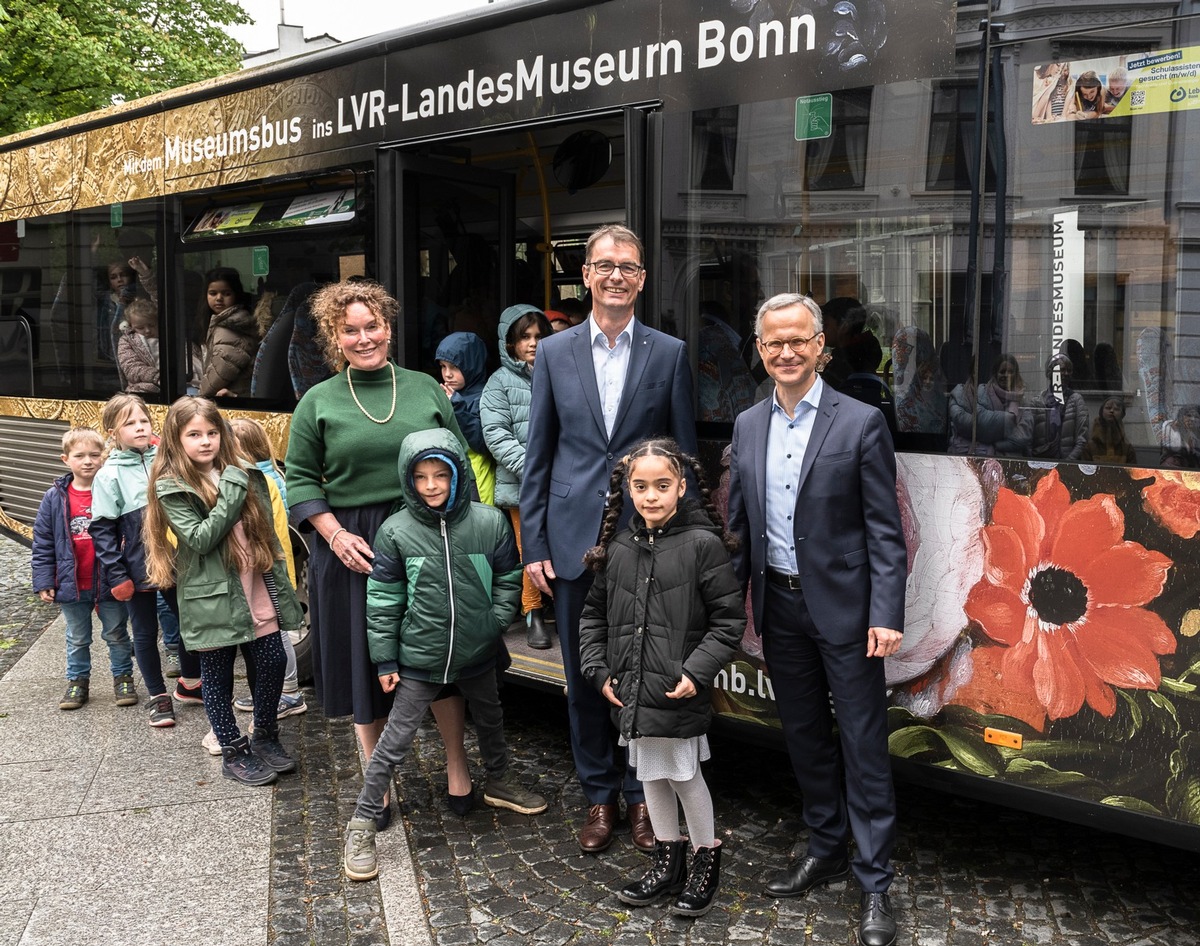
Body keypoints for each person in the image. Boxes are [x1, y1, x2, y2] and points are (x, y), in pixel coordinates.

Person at [725, 293, 907, 946]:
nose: (786, 352)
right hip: (779, 607)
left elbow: (886, 532)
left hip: (850, 614)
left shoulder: (859, 422)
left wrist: (886, 612)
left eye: (798, 339)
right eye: (774, 342)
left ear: (821, 344)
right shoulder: (747, 426)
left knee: (862, 744)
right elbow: (740, 530)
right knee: (802, 735)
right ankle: (825, 845)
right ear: (760, 349)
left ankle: (876, 880)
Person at [521, 223, 697, 854]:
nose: (616, 274)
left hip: (646, 542)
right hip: (570, 544)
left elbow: (683, 457)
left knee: (645, 675)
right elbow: (538, 455)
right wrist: (534, 545)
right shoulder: (554, 352)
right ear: (587, 276)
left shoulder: (669, 353)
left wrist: (687, 540)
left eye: (628, 265)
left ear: (642, 278)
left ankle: (640, 799)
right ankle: (597, 795)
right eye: (604, 265)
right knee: (583, 674)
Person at [285, 279, 475, 826]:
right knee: (364, 661)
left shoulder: (422, 387)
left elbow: (458, 461)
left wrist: (463, 536)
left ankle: (458, 768)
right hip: (353, 543)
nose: (364, 337)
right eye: (350, 330)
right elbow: (298, 480)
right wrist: (334, 535)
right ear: (334, 336)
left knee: (436, 656)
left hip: (424, 530)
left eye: (373, 326)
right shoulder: (316, 402)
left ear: (388, 328)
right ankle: (378, 780)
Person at [342, 429, 547, 882]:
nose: (432, 485)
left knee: (491, 717)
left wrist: (494, 622)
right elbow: (382, 603)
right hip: (420, 657)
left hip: (477, 650)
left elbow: (509, 577)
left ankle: (498, 779)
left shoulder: (489, 522)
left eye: (441, 475)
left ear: (457, 475)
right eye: (420, 477)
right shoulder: (396, 531)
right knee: (394, 741)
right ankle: (360, 823)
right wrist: (386, 660)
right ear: (407, 479)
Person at [578, 439, 744, 917]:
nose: (651, 496)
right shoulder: (619, 546)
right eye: (641, 486)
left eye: (662, 486)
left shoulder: (702, 545)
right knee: (649, 774)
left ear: (682, 487)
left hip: (676, 690)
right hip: (631, 689)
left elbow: (728, 622)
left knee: (685, 776)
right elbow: (593, 616)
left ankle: (705, 858)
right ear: (628, 490)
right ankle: (668, 860)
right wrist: (598, 670)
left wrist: (697, 670)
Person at [144, 397, 301, 785]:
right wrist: (231, 487)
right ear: (176, 439)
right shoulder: (171, 486)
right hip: (210, 595)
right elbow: (201, 537)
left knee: (272, 660)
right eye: (194, 434)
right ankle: (233, 748)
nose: (206, 441)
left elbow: (267, 528)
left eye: (212, 432)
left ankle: (265, 734)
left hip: (255, 582)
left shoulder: (241, 471)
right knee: (217, 671)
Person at [91, 394, 202, 728]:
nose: (139, 428)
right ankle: (157, 695)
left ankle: (191, 683)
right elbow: (103, 531)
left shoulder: (165, 460)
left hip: (173, 560)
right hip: (135, 566)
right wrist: (116, 573)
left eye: (143, 421)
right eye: (129, 423)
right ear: (112, 432)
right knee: (143, 631)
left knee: (188, 622)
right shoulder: (108, 475)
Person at [32, 427, 136, 711]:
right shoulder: (54, 498)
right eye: (80, 456)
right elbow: (42, 541)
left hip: (109, 579)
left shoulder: (113, 489)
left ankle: (123, 677)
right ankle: (77, 681)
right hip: (71, 582)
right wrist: (44, 580)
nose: (88, 461)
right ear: (66, 459)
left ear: (104, 456)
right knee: (77, 637)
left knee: (116, 633)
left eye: (94, 454)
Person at [480, 304, 555, 649]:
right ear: (509, 343)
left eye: (539, 336)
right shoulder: (499, 383)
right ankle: (532, 612)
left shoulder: (558, 372)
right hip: (522, 485)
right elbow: (497, 437)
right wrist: (538, 470)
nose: (533, 343)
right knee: (531, 549)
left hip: (561, 483)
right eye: (524, 337)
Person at [228, 417, 307, 723]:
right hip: (270, 565)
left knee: (278, 632)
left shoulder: (261, 482)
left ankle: (289, 691)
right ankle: (274, 690)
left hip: (268, 566)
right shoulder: (272, 474)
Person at [436, 331, 496, 505]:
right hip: (450, 477)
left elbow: (480, 442)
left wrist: (457, 406)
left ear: (471, 365)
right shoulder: (449, 394)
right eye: (443, 366)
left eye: (454, 367)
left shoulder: (486, 396)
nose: (447, 374)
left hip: (477, 481)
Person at [197, 268, 260, 398]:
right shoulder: (220, 321)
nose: (219, 298)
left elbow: (220, 373)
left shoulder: (230, 327)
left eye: (226, 294)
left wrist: (200, 397)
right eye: (213, 293)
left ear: (236, 295)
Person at [1032, 353, 1089, 461]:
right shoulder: (1037, 402)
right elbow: (1027, 437)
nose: (1066, 373)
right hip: (1040, 461)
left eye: (1069, 370)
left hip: (1068, 464)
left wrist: (1068, 463)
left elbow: (1083, 438)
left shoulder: (1076, 400)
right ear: (1050, 372)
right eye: (1062, 370)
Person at [116, 298, 161, 394]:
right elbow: (131, 368)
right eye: (141, 328)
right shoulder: (127, 341)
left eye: (152, 325)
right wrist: (156, 376)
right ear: (130, 326)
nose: (147, 330)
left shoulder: (167, 337)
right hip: (143, 387)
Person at [97, 261, 136, 362]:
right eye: (113, 277)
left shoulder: (138, 299)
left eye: (123, 275)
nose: (119, 280)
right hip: (109, 356)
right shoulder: (105, 301)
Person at [1081, 396, 1138, 464]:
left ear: (1122, 414)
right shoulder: (1090, 447)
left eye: (1116, 409)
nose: (1111, 411)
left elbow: (1132, 472)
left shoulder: (1127, 448)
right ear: (1102, 412)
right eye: (1108, 408)